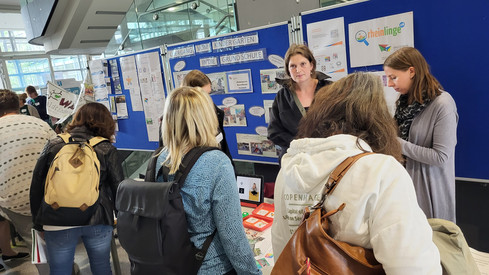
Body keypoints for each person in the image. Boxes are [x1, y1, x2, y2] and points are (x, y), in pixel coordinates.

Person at [272, 72, 442, 274]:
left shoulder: (288, 169)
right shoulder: (381, 171)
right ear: (378, 120)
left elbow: (281, 249)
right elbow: (415, 268)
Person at [157, 86, 260, 275]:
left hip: (168, 262)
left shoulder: (159, 159)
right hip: (210, 266)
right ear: (205, 118)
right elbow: (232, 236)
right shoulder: (217, 162)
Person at [30, 102, 124, 275]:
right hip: (98, 218)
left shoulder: (54, 145)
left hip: (56, 218)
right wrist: (122, 220)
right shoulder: (106, 149)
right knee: (101, 266)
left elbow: (36, 186)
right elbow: (119, 188)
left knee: (60, 269)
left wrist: (38, 223)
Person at [384, 47, 458, 223]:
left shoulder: (443, 104)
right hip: (404, 189)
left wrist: (397, 143)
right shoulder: (403, 103)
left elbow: (440, 157)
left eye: (393, 77)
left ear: (411, 71)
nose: (389, 84)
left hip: (431, 194)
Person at [0, 89, 55, 273]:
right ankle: (65, 267)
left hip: (14, 198)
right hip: (49, 194)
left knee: (34, 240)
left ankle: (45, 271)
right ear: (19, 105)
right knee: (57, 235)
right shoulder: (41, 125)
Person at [267, 43, 332, 163]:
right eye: (293, 66)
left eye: (303, 64)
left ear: (311, 65)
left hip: (326, 158)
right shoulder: (282, 97)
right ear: (288, 70)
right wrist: (299, 145)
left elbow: (342, 123)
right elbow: (274, 132)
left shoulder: (330, 90)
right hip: (294, 160)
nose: (298, 70)